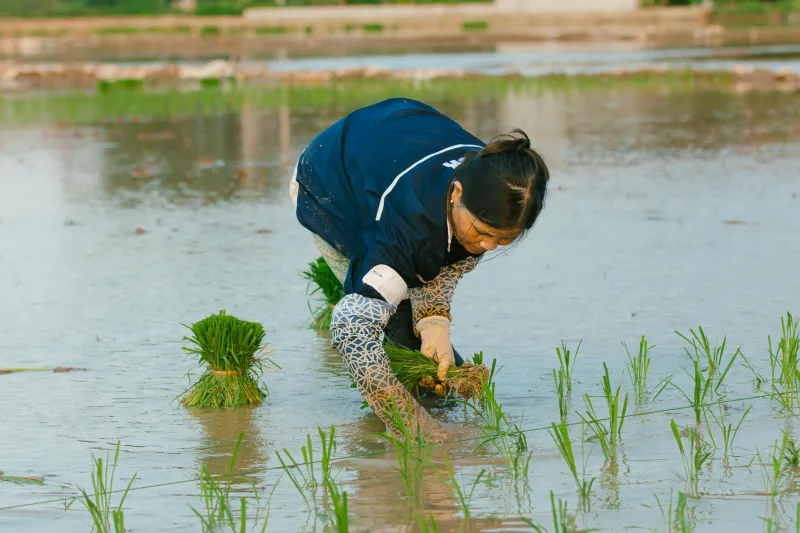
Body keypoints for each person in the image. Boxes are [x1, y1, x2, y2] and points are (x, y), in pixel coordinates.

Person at [290, 97, 549, 437]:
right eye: (484, 234)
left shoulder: (497, 178)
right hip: (329, 184)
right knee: (395, 328)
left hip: (395, 139)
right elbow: (350, 326)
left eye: (503, 240)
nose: (488, 246)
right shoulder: (405, 229)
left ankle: (432, 400)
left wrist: (434, 321)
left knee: (421, 325)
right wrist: (414, 425)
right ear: (456, 193)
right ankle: (404, 422)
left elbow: (450, 259)